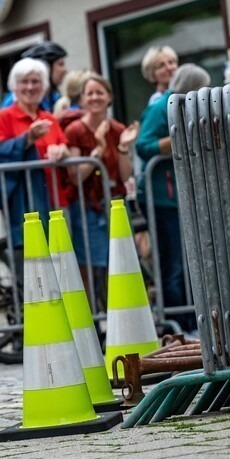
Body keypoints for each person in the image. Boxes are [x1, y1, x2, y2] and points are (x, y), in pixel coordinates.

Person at [136, 63, 210, 331]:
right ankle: (176, 323)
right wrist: (176, 139)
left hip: (181, 196)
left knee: (188, 260)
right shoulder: (161, 109)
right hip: (162, 198)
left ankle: (190, 319)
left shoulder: (187, 107)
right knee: (174, 261)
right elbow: (143, 146)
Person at [63, 74, 139, 309]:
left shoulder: (117, 129)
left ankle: (116, 318)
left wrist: (124, 148)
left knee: (116, 265)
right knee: (88, 267)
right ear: (82, 99)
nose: (95, 97)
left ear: (109, 97)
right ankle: (91, 322)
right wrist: (99, 148)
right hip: (87, 207)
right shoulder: (75, 130)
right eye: (90, 93)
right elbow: (75, 176)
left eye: (100, 92)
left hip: (114, 205)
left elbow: (125, 176)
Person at [0, 57, 70, 245]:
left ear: (44, 87)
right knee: (31, 265)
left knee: (62, 260)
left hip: (55, 200)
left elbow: (63, 145)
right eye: (24, 82)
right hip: (25, 206)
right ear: (14, 88)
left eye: (35, 81)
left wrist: (61, 150)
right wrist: (27, 139)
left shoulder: (48, 117)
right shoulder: (4, 117)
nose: (30, 87)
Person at [0, 41, 68, 110]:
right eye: (60, 64)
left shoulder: (54, 97)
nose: (65, 70)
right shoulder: (14, 100)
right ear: (46, 68)